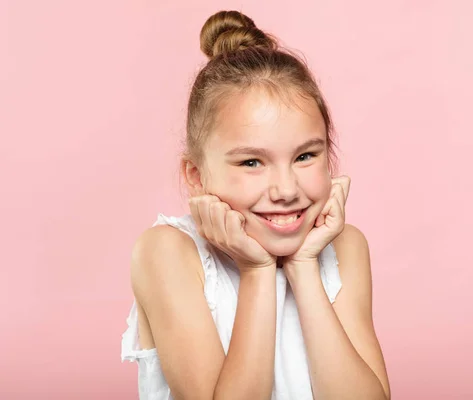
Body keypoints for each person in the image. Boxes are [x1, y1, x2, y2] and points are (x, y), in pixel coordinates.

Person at [121, 10, 390, 400]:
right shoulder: (167, 254)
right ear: (196, 176)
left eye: (305, 157)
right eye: (251, 162)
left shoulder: (344, 246)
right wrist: (257, 269)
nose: (285, 190)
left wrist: (303, 267)